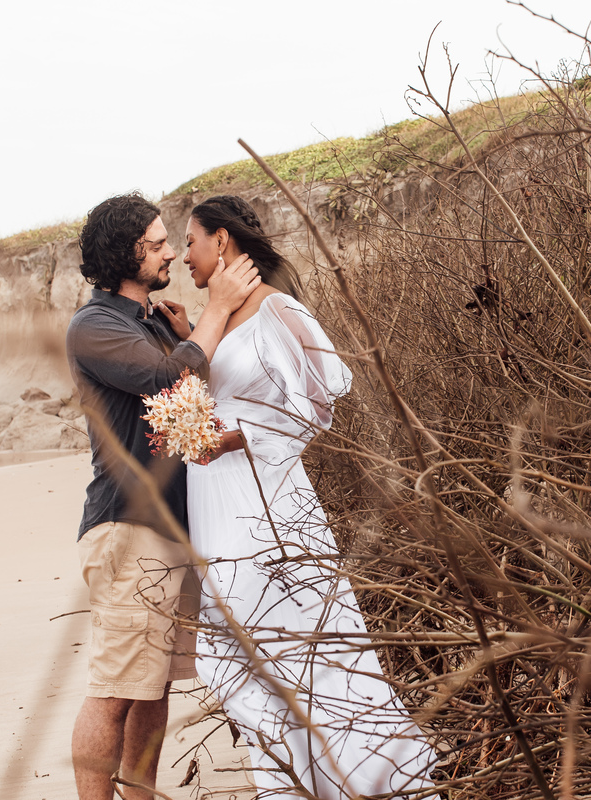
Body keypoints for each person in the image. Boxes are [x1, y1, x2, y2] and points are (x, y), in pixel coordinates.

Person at [178, 195, 433, 798]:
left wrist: (240, 434)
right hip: (213, 501)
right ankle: (286, 786)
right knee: (248, 658)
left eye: (189, 242)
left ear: (221, 241)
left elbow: (324, 401)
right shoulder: (215, 317)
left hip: (264, 495)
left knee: (300, 643)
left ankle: (368, 780)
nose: (184, 256)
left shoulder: (276, 308)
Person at [66, 192, 260, 800]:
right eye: (155, 244)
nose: (170, 251)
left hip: (173, 530)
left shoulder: (152, 322)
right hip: (128, 528)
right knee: (117, 688)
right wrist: (217, 310)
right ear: (124, 254)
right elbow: (167, 379)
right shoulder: (93, 326)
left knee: (153, 689)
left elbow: (187, 430)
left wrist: (255, 435)